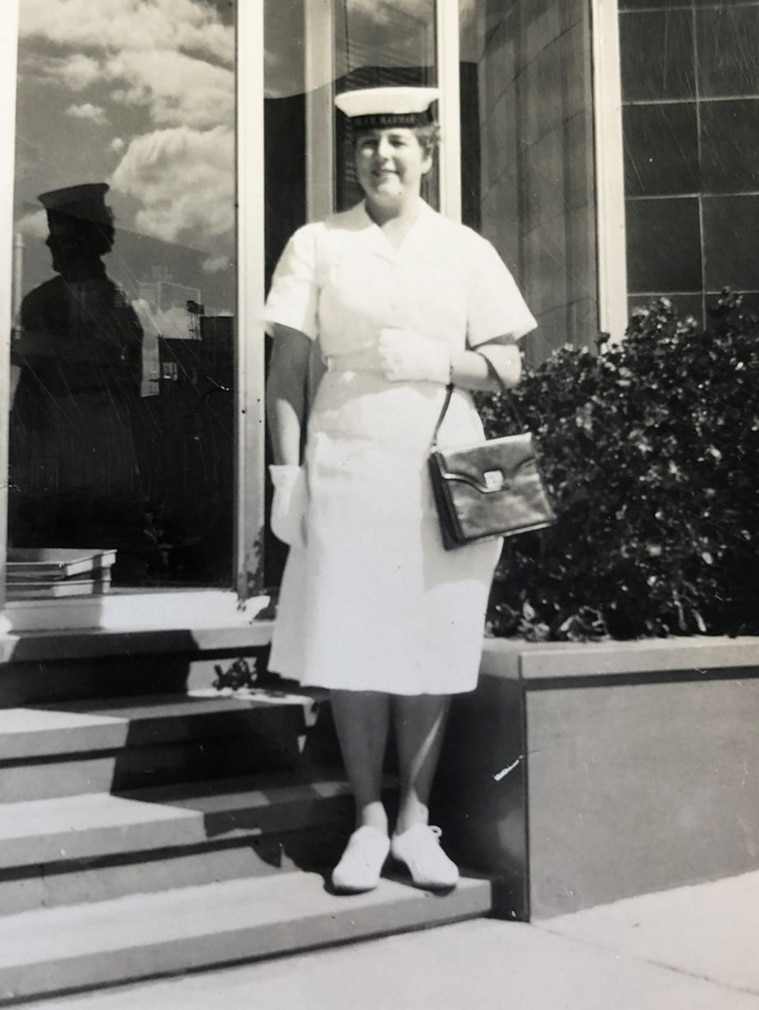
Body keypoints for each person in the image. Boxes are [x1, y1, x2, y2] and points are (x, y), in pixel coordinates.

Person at [263, 86, 536, 894]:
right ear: (354, 157)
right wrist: (288, 476)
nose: (381, 156)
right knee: (351, 639)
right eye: (367, 144)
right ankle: (366, 822)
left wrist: (434, 358)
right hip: (346, 462)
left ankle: (416, 824)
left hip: (438, 469)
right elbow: (286, 372)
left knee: (428, 635)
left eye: (398, 142)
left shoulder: (464, 250)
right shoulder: (317, 243)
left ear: (426, 153)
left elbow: (509, 366)